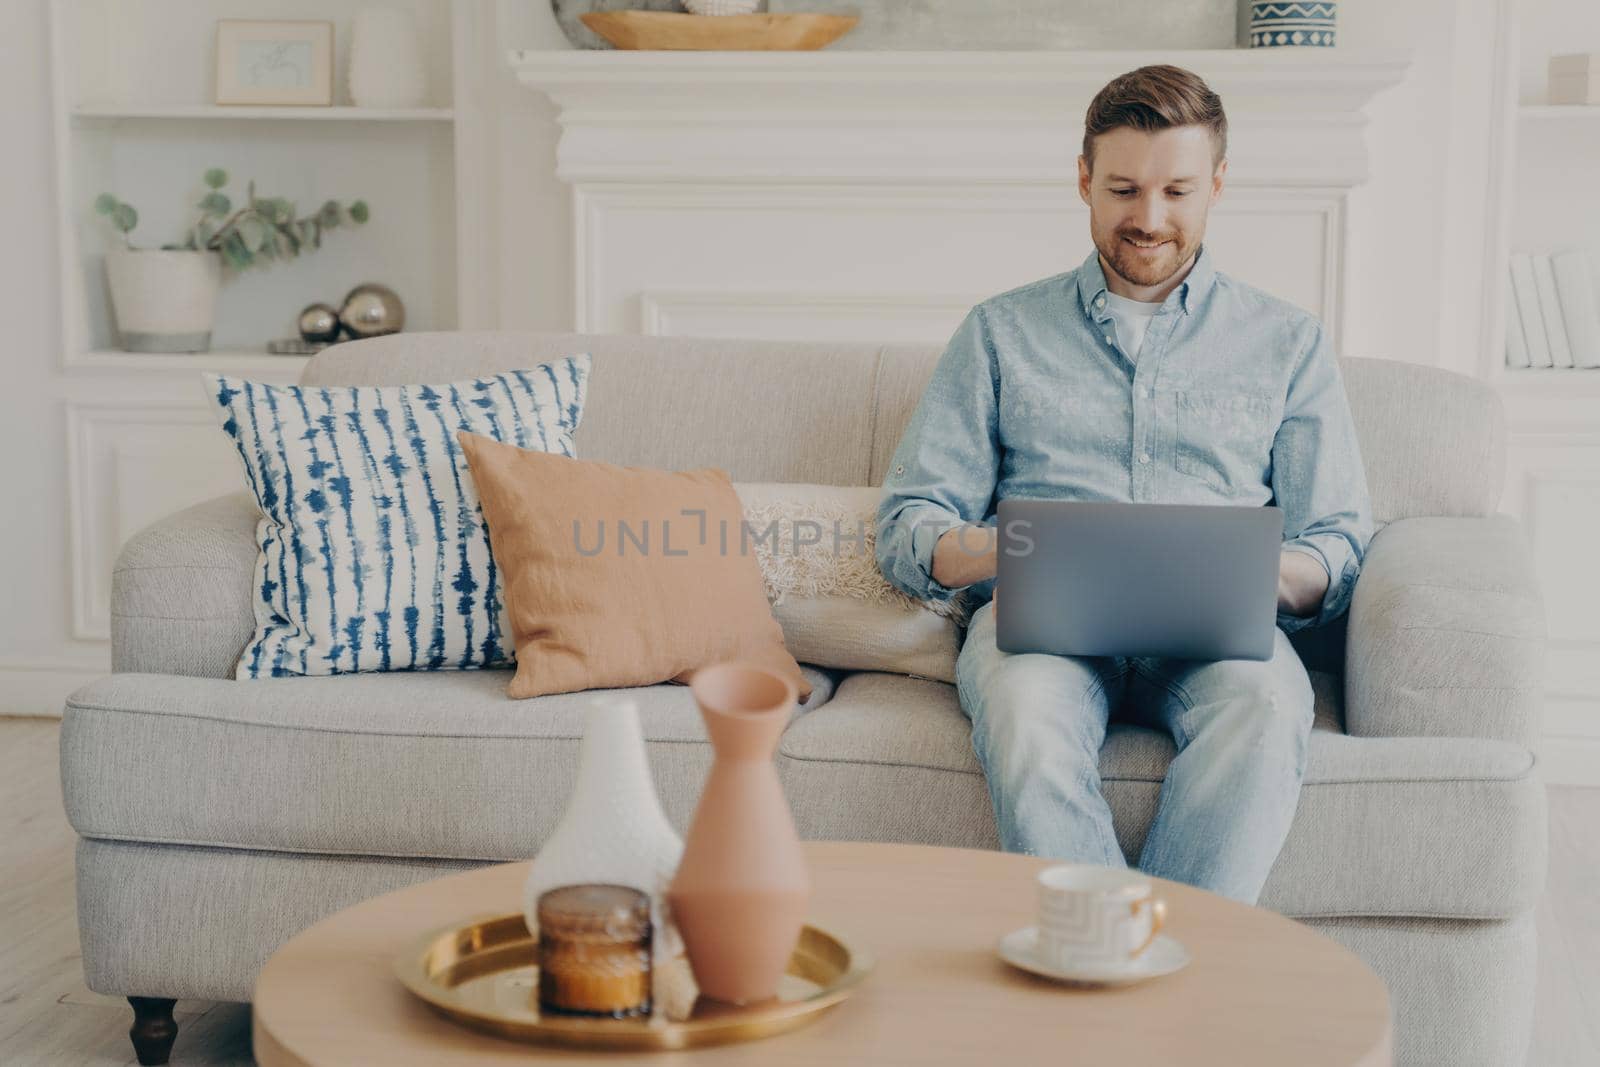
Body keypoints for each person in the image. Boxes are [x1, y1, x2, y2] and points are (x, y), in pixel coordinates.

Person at [874, 64, 1374, 906]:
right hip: (1041, 632)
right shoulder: (999, 332)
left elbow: (1338, 541)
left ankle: (1153, 981)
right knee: (1029, 721)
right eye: (1123, 189)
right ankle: (1123, 978)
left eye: (1177, 190)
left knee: (1262, 712)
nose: (1149, 218)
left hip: (1220, 638)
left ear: (1217, 184)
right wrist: (1016, 547)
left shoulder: (1287, 341)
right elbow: (907, 527)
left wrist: (1268, 571)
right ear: (1083, 180)